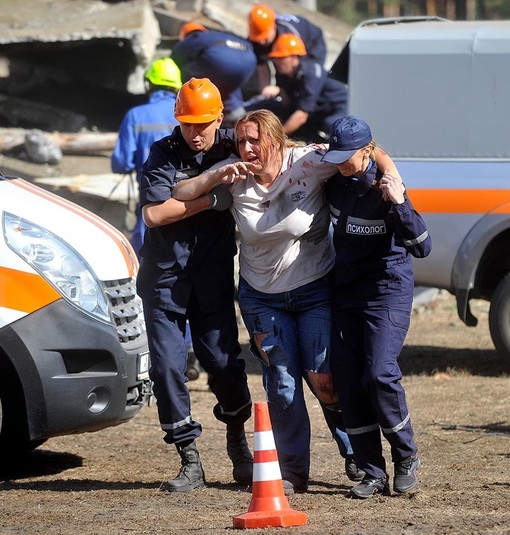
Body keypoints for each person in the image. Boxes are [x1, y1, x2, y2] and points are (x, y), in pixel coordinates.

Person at [171, 109, 400, 495]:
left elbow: (369, 151)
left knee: (325, 380)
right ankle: (293, 472)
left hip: (314, 289)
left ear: (275, 141)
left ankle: (355, 452)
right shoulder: (234, 174)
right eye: (241, 141)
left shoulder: (308, 161)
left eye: (254, 140)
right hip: (262, 298)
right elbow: (181, 193)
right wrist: (215, 176)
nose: (246, 148)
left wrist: (393, 179)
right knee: (282, 384)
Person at [136, 78, 253, 492]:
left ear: (219, 119)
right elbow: (155, 214)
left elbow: (279, 153)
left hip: (211, 276)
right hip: (164, 280)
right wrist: (211, 199)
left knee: (222, 362)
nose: (195, 132)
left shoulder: (234, 144)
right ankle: (189, 459)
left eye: (203, 124)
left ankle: (238, 439)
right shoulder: (163, 152)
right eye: (187, 123)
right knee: (168, 368)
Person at [322, 115, 432, 499]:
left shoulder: (387, 187)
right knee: (348, 381)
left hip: (386, 292)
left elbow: (422, 246)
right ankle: (372, 471)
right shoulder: (334, 182)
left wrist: (399, 202)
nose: (340, 162)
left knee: (380, 374)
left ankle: (406, 456)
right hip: (345, 293)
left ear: (368, 150)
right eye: (335, 155)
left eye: (347, 155)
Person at [111, 57, 182, 257]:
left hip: (150, 200)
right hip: (187, 201)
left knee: (144, 255)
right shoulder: (185, 115)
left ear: (148, 84)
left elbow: (121, 162)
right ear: (177, 87)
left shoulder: (135, 115)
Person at [246, 34, 347, 141]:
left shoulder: (310, 73)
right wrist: (280, 91)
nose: (277, 62)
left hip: (339, 109)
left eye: (281, 58)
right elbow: (287, 103)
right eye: (276, 58)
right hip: (315, 111)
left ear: (294, 57)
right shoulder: (286, 73)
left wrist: (276, 138)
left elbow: (301, 116)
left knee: (330, 126)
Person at [171, 22, 257, 127]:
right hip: (250, 58)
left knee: (191, 81)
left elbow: (174, 57)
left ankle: (193, 113)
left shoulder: (193, 38)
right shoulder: (214, 36)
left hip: (218, 60)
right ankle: (235, 113)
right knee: (228, 84)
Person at [247, 3, 326, 93]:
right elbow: (262, 67)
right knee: (282, 76)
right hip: (286, 47)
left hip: (312, 43)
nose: (261, 42)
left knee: (306, 76)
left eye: (265, 38)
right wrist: (264, 92)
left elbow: (295, 65)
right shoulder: (255, 41)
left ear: (274, 27)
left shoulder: (289, 35)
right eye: (258, 38)